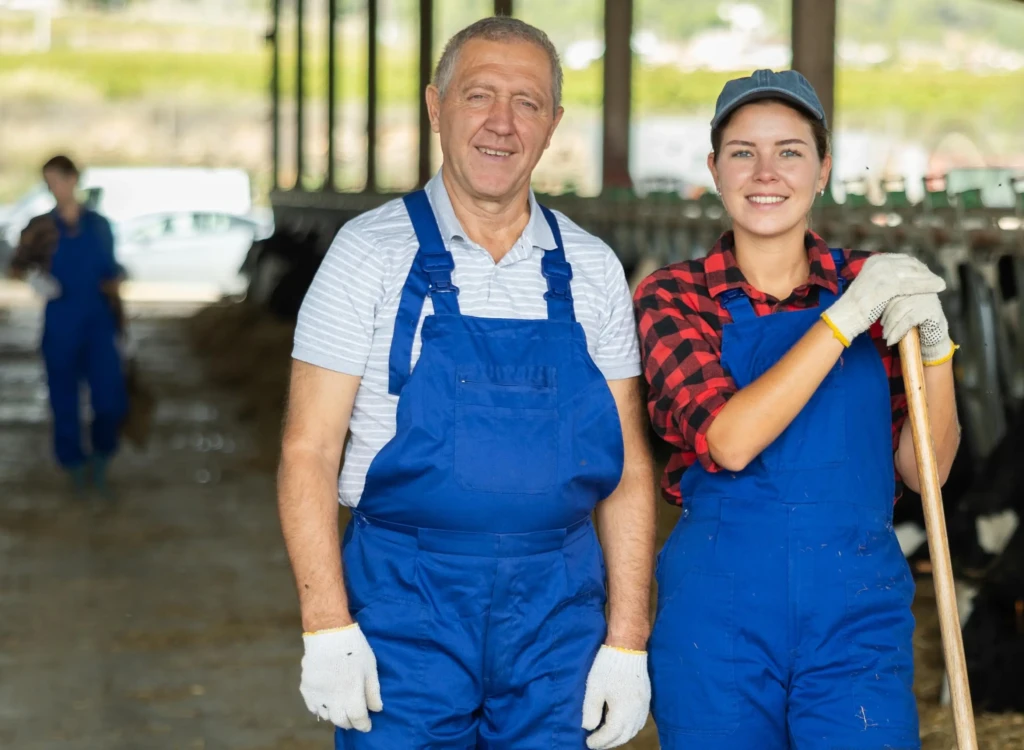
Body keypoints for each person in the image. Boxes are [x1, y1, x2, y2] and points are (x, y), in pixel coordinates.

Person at [277, 16, 655, 750]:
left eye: (528, 102)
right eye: (479, 95)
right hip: (404, 603)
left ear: (553, 126)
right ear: (435, 105)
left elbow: (629, 469)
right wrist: (325, 622)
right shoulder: (367, 254)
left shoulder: (592, 269)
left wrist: (628, 639)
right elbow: (308, 451)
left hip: (556, 611)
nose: (502, 124)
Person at [633, 69, 961, 749]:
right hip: (718, 618)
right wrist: (843, 320)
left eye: (790, 151)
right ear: (714, 169)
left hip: (856, 614)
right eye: (742, 152)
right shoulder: (675, 297)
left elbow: (926, 468)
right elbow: (728, 440)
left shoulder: (873, 286)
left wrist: (936, 350)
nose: (766, 172)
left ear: (823, 170)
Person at [7, 155, 128, 496]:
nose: (54, 188)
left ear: (74, 178)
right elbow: (16, 266)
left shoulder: (99, 225)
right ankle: (74, 465)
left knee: (110, 400)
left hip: (99, 322)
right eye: (48, 182)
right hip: (60, 322)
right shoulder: (40, 226)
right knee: (64, 399)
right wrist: (34, 278)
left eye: (58, 179)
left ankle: (102, 456)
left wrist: (117, 283)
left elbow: (112, 268)